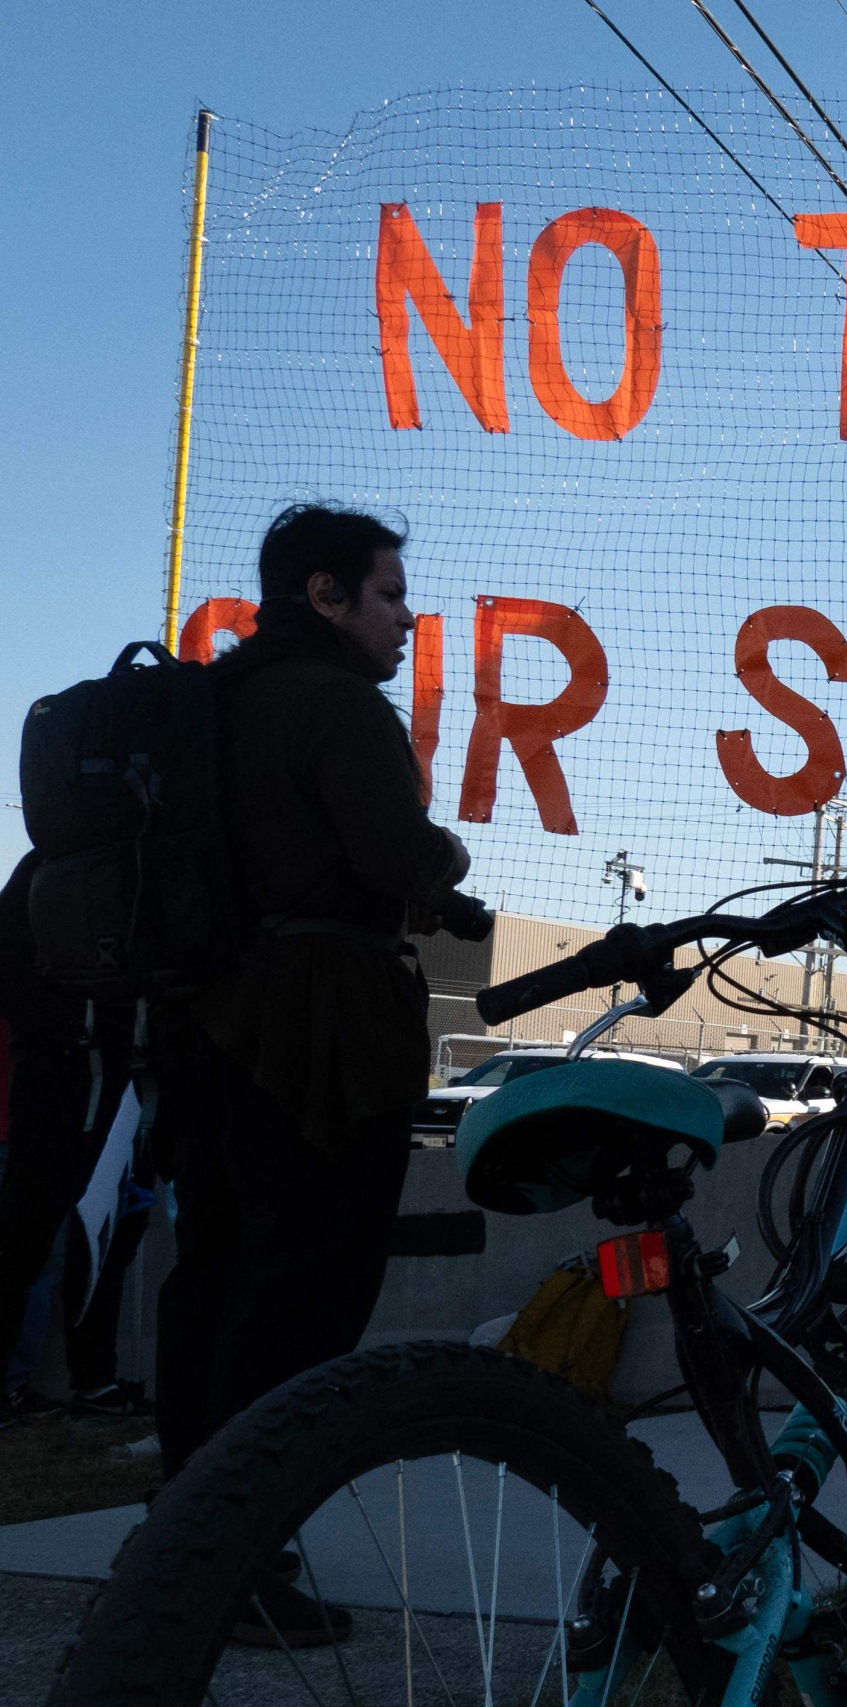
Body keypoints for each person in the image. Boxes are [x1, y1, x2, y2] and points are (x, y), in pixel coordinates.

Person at [154, 504, 473, 1644]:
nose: (404, 617)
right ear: (325, 597)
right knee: (302, 1298)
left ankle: (183, 1544)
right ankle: (243, 1554)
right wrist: (450, 857)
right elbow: (396, 854)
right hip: (319, 1034)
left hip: (209, 1026)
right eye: (388, 594)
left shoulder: (220, 702)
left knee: (215, 1280)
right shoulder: (337, 704)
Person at [0, 854, 148, 1428]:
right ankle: (87, 1380)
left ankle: (93, 1380)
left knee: (90, 1235)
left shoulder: (53, 866)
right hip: (88, 1077)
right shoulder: (66, 868)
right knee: (48, 1234)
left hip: (97, 1076)